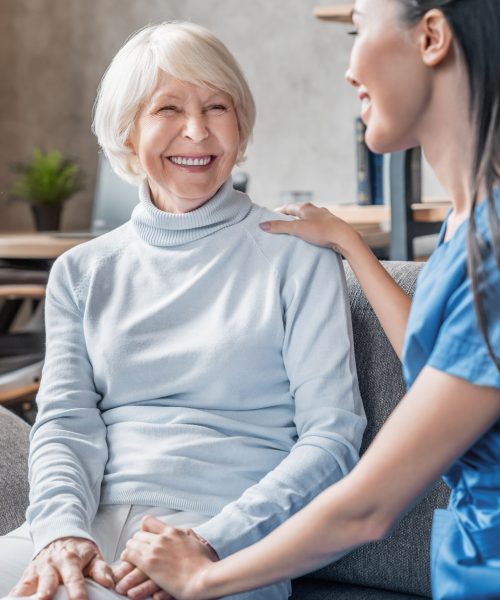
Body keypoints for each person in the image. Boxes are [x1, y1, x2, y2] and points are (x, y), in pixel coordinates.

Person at [113, 1, 500, 598]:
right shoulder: (465, 225)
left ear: (430, 37)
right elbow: (436, 361)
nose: (348, 69)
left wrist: (205, 575)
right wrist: (350, 244)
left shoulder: (491, 249)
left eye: (358, 30)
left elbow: (367, 507)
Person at [0, 21, 366, 600]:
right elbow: (66, 424)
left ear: (240, 125)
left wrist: (212, 542)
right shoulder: (82, 271)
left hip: (224, 542)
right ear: (127, 132)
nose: (196, 131)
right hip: (88, 527)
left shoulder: (297, 254)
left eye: (217, 106)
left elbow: (334, 436)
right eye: (167, 108)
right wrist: (61, 533)